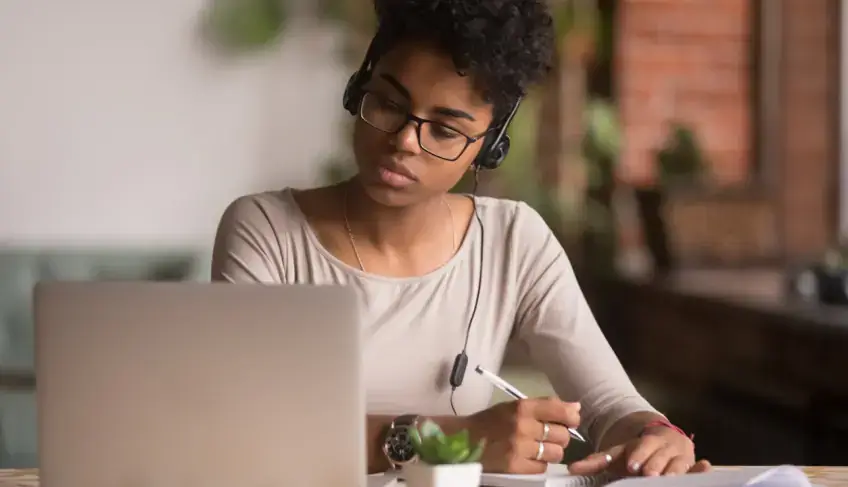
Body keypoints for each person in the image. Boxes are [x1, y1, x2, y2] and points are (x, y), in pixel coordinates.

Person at [211, 0, 711, 478]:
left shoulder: (515, 241)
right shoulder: (266, 231)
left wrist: (656, 436)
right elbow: (245, 431)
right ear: (357, 89)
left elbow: (612, 407)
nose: (405, 142)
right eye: (388, 104)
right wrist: (456, 440)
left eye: (446, 131)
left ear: (488, 147)